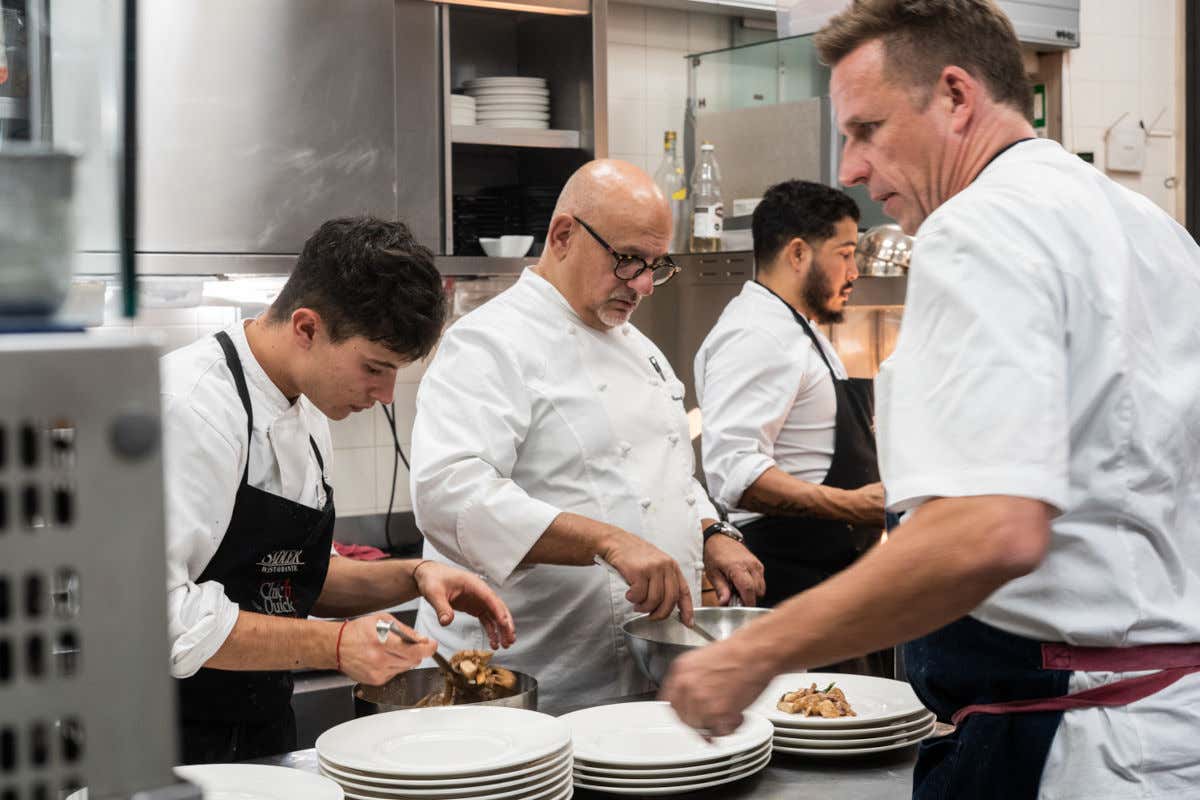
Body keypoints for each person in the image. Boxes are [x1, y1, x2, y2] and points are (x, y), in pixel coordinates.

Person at [662, 2, 1200, 798]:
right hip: (1161, 719)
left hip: (1068, 743)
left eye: (867, 129)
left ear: (956, 97)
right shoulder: (1150, 227)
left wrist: (751, 653)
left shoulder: (980, 225)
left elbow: (988, 531)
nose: (849, 166)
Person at [409, 160, 765, 709]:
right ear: (563, 236)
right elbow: (450, 495)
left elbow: (670, 476)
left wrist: (711, 529)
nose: (644, 285)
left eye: (656, 265)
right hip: (536, 679)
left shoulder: (639, 347)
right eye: (628, 260)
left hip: (650, 673)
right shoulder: (488, 344)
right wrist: (608, 541)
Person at [163, 216, 515, 764]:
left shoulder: (306, 407)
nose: (386, 394)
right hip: (164, 742)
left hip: (257, 730)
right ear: (306, 328)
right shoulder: (191, 408)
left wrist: (416, 577)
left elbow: (291, 577)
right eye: (375, 368)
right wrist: (334, 644)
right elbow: (165, 618)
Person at [695, 180, 885, 616]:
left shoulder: (796, 328)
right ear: (798, 254)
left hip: (829, 574)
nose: (854, 271)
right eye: (844, 253)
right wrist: (855, 505)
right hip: (788, 580)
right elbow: (735, 472)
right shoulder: (756, 334)